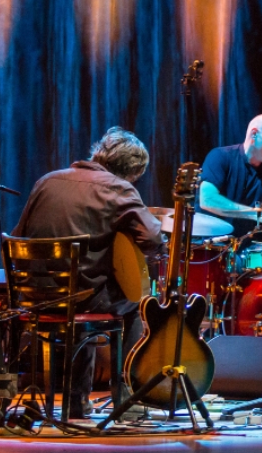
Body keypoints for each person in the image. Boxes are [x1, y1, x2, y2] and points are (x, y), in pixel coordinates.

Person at [12, 126, 163, 417]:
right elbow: (153, 240)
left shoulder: (47, 181)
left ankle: (77, 399)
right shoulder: (118, 188)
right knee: (135, 303)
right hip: (81, 299)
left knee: (88, 286)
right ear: (130, 172)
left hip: (34, 296)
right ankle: (126, 396)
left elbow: (21, 234)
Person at [198, 114, 262, 245]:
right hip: (213, 248)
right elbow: (207, 199)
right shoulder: (220, 157)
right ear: (254, 134)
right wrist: (254, 214)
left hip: (250, 249)